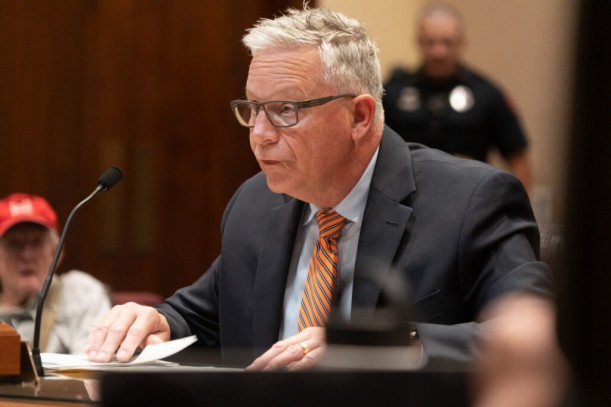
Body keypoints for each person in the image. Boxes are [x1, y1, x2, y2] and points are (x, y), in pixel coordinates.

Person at [85, 5, 551, 370]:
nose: (259, 134)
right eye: (253, 109)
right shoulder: (255, 203)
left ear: (359, 116)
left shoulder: (470, 201)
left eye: (284, 110)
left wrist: (392, 344)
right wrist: (158, 320)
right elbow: (206, 312)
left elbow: (535, 335)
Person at [383, 3, 533, 191]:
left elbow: (519, 159)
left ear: (462, 41)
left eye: (447, 42)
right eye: (431, 42)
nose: (439, 52)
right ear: (419, 42)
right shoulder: (392, 93)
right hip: (406, 198)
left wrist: (514, 205)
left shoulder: (486, 94)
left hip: (471, 198)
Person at [0, 193, 111, 354]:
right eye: (14, 244)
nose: (27, 255)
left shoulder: (80, 293)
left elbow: (93, 363)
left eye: (37, 243)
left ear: (56, 252)